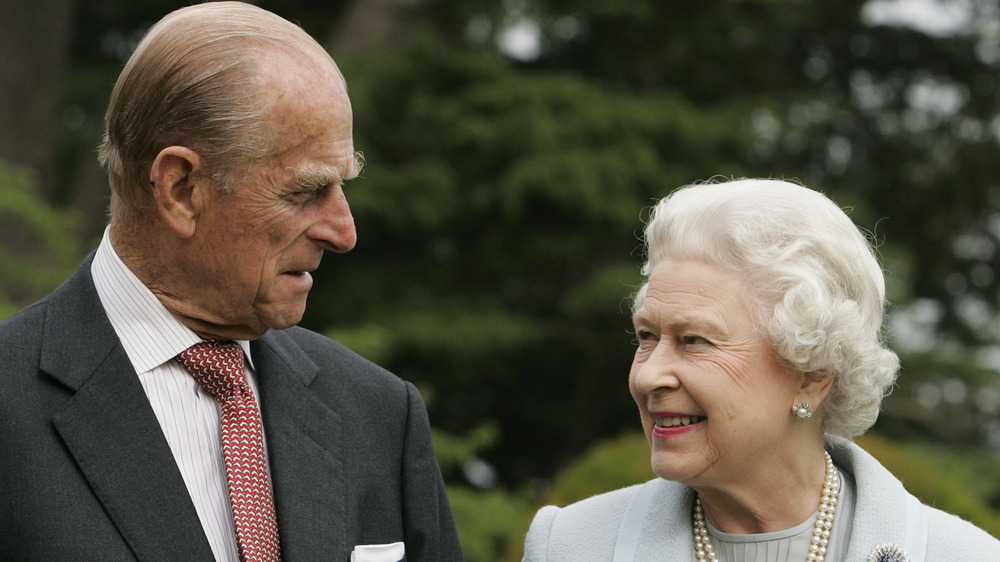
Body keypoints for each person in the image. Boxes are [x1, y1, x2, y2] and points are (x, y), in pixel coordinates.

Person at [0, 3, 463, 561]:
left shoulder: (380, 414)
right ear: (180, 188)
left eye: (342, 186)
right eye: (304, 191)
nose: (344, 232)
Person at [523, 179, 1000, 561]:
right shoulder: (568, 546)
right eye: (647, 337)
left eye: (694, 341)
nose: (649, 377)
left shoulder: (961, 556)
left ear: (812, 372)